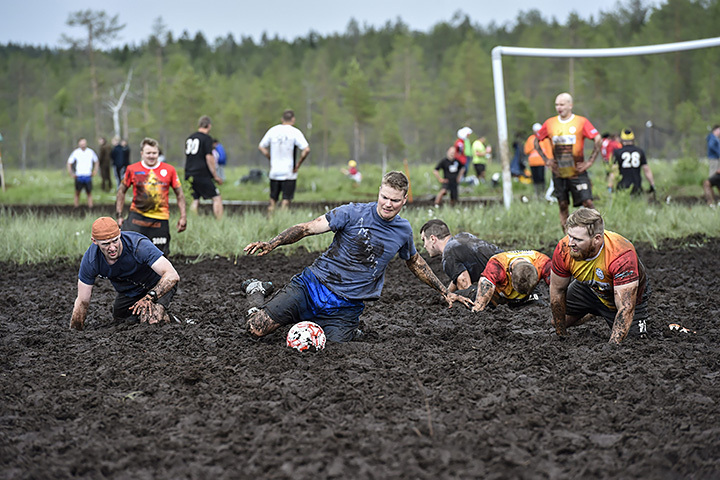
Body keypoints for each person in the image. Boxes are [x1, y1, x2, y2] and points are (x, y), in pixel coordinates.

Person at [242, 171, 474, 343]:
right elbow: (308, 228)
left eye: (395, 200)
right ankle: (256, 290)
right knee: (256, 329)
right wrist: (273, 242)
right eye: (384, 197)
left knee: (333, 348)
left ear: (404, 201)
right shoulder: (351, 213)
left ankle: (347, 328)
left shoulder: (403, 231)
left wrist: (444, 291)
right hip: (313, 286)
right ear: (379, 193)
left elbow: (414, 262)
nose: (388, 204)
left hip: (346, 306)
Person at [549, 208, 649, 344]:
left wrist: (611, 348)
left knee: (633, 341)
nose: (571, 243)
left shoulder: (621, 255)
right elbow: (557, 291)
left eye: (578, 239)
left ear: (597, 239)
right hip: (589, 288)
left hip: (623, 295)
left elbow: (626, 307)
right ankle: (592, 311)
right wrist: (561, 335)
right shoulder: (564, 248)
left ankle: (602, 311)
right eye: (570, 236)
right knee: (557, 321)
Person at [70, 216, 181, 330]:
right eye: (106, 244)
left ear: (120, 234)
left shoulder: (138, 246)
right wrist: (75, 331)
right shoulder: (91, 260)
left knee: (150, 320)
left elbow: (172, 275)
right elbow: (82, 300)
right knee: (120, 321)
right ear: (95, 241)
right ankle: (153, 314)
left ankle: (170, 320)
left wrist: (149, 297)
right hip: (130, 292)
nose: (112, 248)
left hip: (158, 285)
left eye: (115, 240)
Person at [535, 92, 602, 231]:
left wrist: (589, 162)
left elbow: (598, 139)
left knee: (588, 202)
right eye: (557, 105)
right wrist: (546, 160)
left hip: (577, 172)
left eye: (562, 104)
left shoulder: (581, 121)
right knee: (563, 204)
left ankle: (599, 233)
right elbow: (536, 140)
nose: (559, 107)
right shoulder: (550, 123)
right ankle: (567, 238)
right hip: (559, 172)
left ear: (570, 105)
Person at [116, 137, 187, 255]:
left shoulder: (169, 170)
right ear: (142, 154)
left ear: (158, 153)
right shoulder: (132, 169)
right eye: (148, 153)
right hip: (137, 218)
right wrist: (119, 215)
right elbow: (121, 191)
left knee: (160, 256)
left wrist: (183, 217)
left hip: (160, 219)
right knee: (127, 251)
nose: (151, 156)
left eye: (154, 153)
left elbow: (179, 194)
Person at [419, 219, 503, 296]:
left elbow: (465, 286)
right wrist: (446, 294)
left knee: (461, 297)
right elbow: (458, 275)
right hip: (510, 263)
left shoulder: (448, 254)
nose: (424, 246)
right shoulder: (463, 236)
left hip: (506, 285)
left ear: (433, 239)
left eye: (424, 240)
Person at [258, 109, 311, 212]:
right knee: (286, 199)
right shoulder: (295, 132)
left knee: (273, 199)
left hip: (274, 171)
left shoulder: (273, 130)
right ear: (293, 119)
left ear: (282, 119)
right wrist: (299, 164)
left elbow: (262, 147)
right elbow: (306, 149)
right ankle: (283, 222)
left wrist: (270, 158)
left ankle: (270, 221)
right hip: (288, 171)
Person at [471, 250, 551, 312]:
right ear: (510, 274)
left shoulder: (542, 262)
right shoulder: (497, 266)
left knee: (541, 308)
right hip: (500, 298)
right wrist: (477, 309)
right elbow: (480, 300)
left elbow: (559, 286)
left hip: (528, 297)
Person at [185, 115, 223, 219]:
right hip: (202, 173)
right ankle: (220, 222)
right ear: (209, 126)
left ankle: (192, 221)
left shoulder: (190, 138)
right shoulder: (207, 139)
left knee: (195, 199)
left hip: (189, 173)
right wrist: (215, 175)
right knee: (216, 197)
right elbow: (209, 157)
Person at [608, 129, 656, 195]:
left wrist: (610, 186)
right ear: (633, 139)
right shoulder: (639, 151)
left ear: (621, 139)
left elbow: (614, 171)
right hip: (637, 186)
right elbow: (646, 170)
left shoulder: (617, 152)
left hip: (622, 187)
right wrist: (652, 185)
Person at [66, 137, 98, 208]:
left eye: (84, 143)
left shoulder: (90, 152)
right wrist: (71, 173)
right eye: (81, 144)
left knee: (89, 192)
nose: (83, 145)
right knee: (77, 192)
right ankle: (76, 207)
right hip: (79, 175)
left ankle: (90, 207)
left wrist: (95, 171)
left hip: (88, 175)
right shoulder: (76, 152)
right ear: (79, 144)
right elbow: (69, 162)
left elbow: (96, 161)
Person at [524, 123, 553, 199]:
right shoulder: (530, 139)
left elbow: (549, 151)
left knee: (541, 178)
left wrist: (549, 161)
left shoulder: (545, 139)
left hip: (542, 162)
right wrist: (533, 147)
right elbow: (526, 150)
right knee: (535, 179)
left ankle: (542, 193)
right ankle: (537, 193)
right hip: (533, 163)